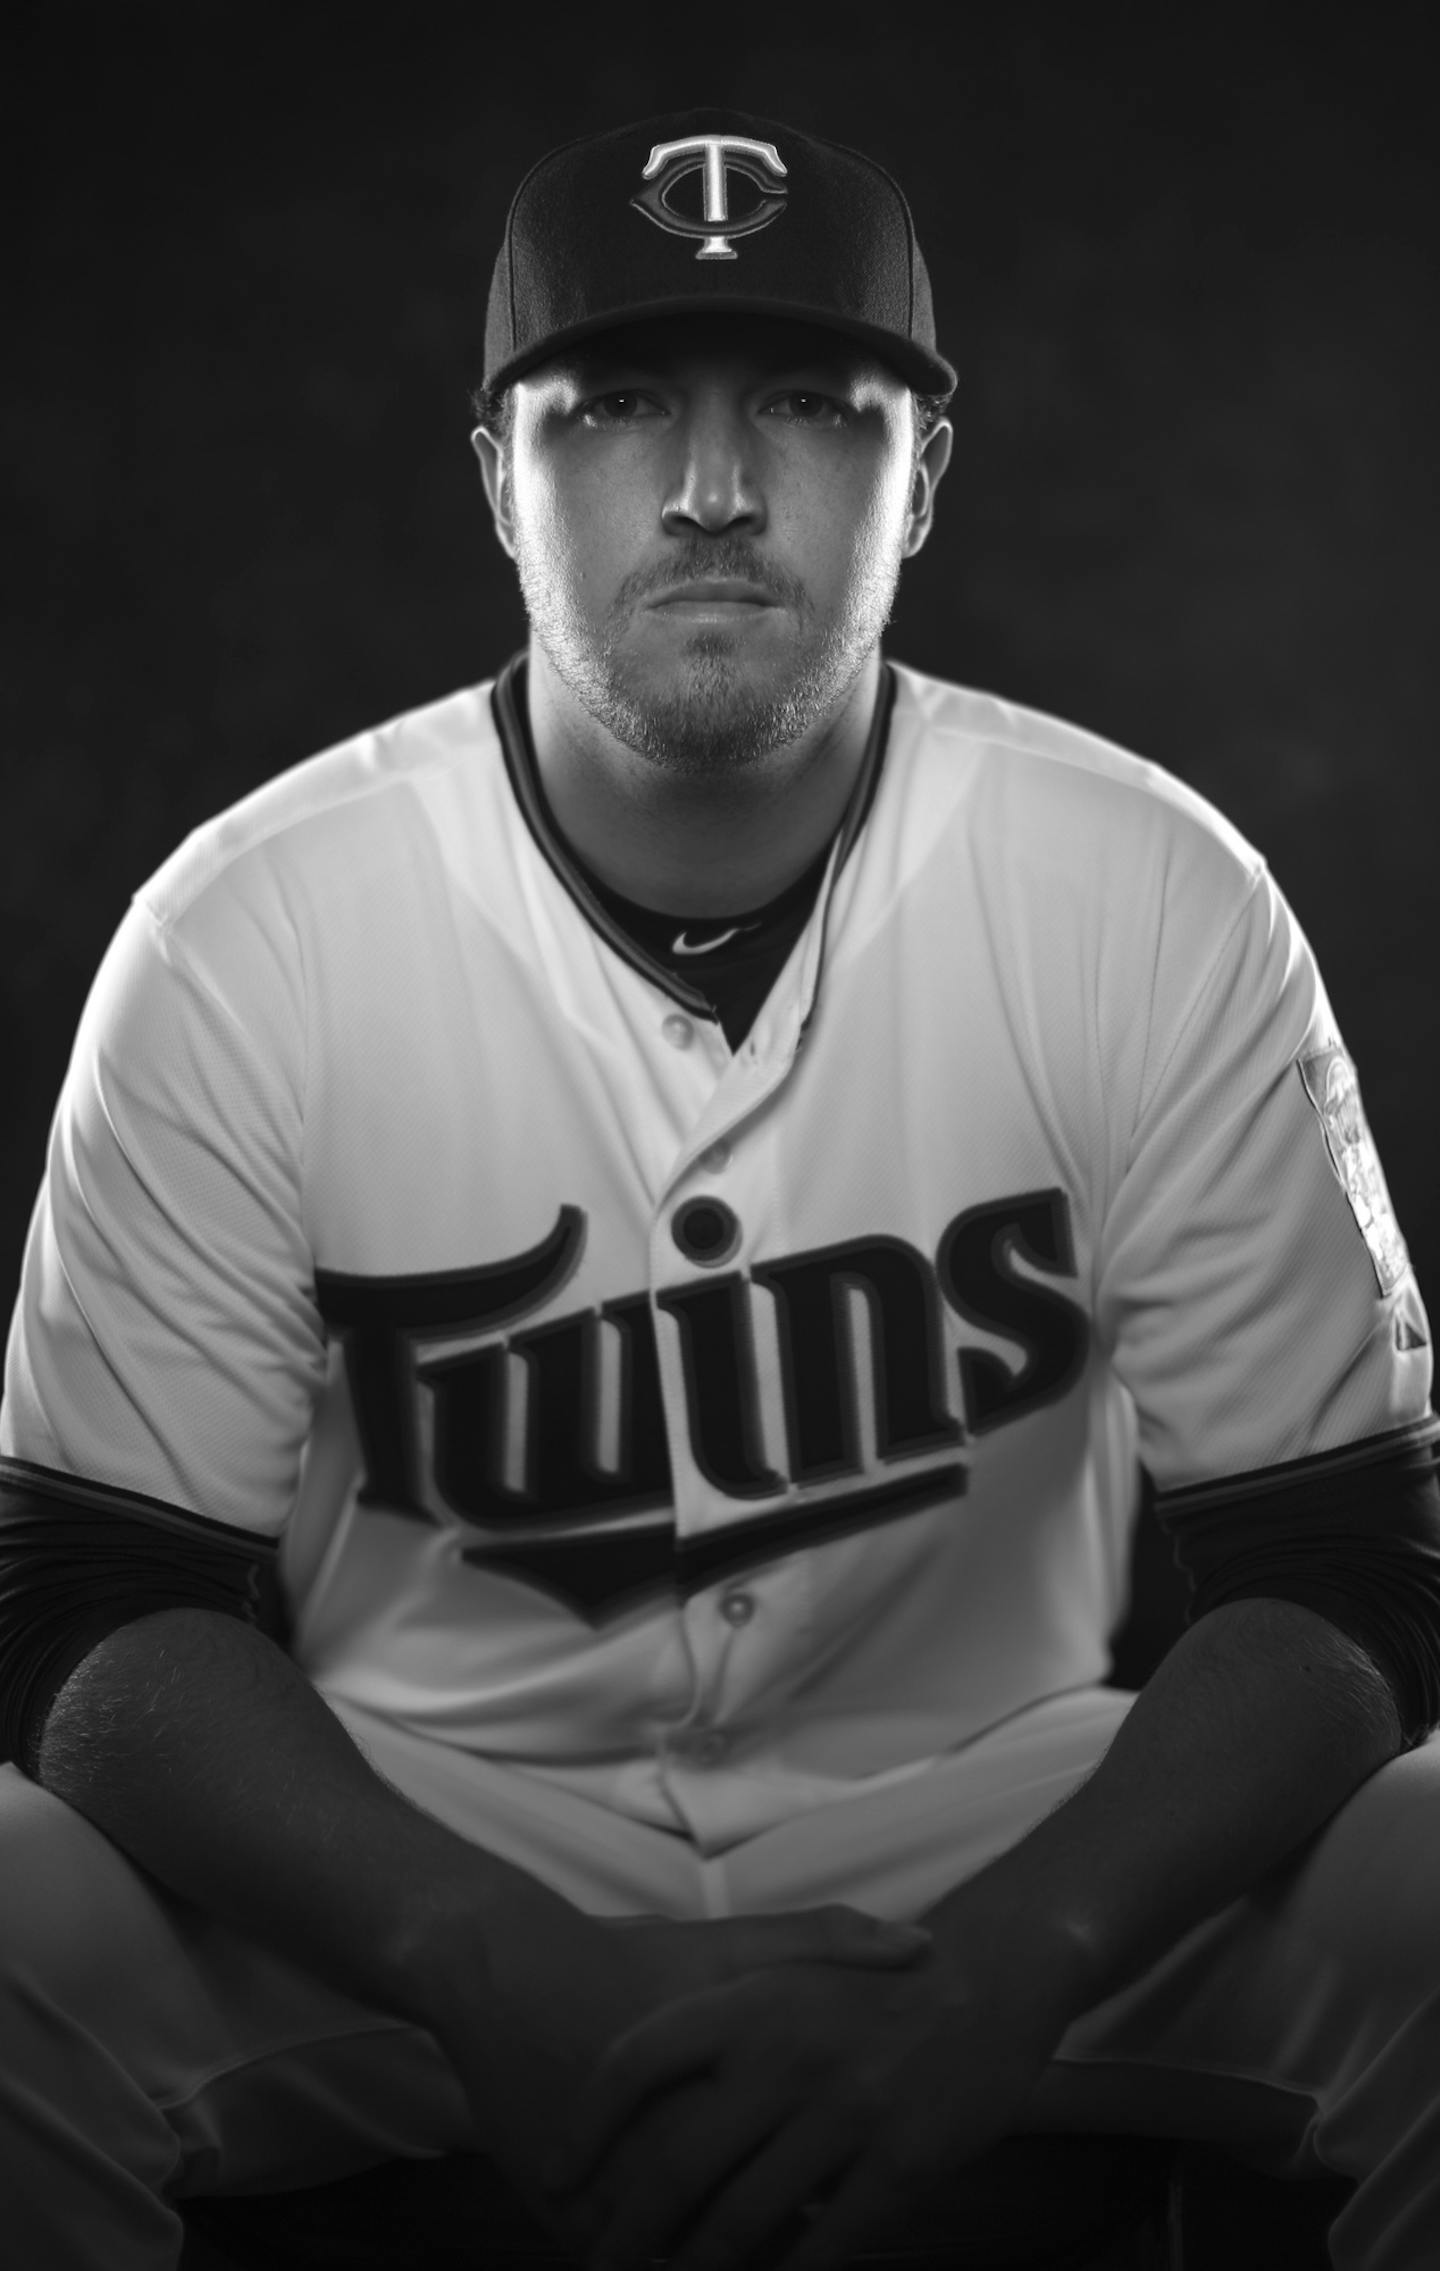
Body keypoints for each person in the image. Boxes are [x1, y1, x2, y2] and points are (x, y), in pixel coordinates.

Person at [3, 106, 1440, 2271]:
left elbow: (1351, 1560)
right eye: (610, 410)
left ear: (923, 476)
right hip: (420, 1816)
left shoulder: (1148, 886)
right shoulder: (248, 923)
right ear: (499, 476)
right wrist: (465, 1941)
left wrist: (1027, 1946)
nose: (707, 489)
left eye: (802, 404)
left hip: (1005, 1801)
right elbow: (90, 1604)